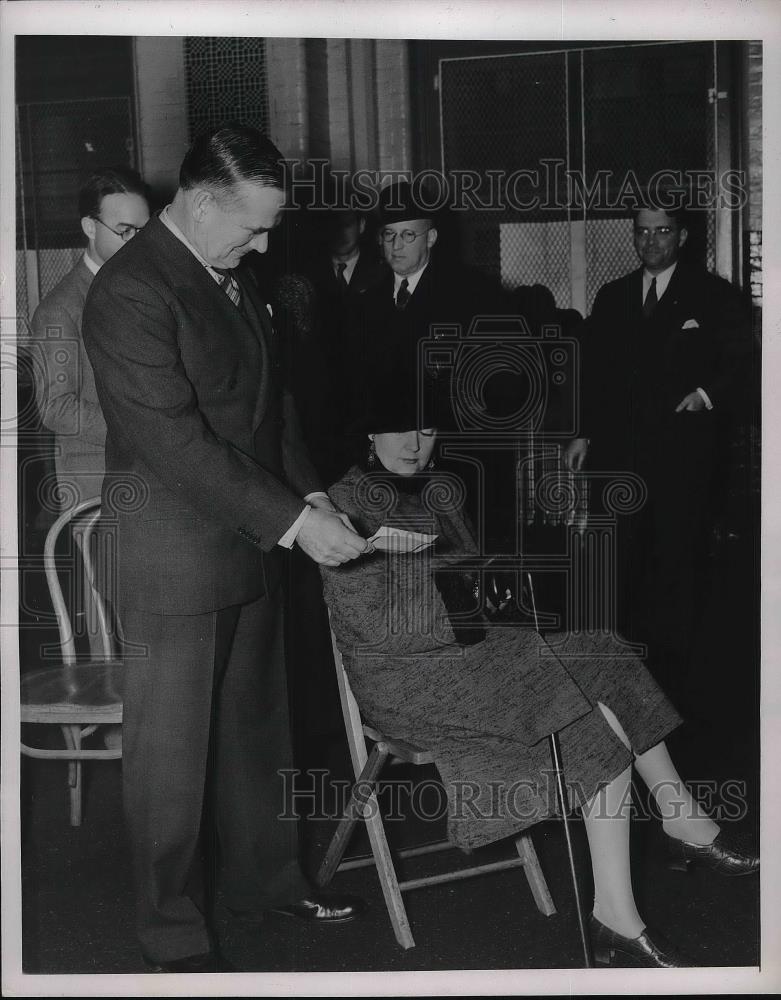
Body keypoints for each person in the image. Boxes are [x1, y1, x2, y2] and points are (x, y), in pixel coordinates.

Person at [319, 390, 758, 969]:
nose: (413, 444)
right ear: (368, 438)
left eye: (425, 431)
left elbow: (474, 588)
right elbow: (376, 627)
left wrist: (490, 582)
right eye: (398, 431)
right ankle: (622, 910)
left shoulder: (441, 492)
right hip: (404, 678)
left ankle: (677, 830)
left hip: (471, 652)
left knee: (604, 651)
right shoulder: (343, 503)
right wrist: (469, 591)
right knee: (586, 711)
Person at [82, 125, 368, 973]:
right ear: (202, 202)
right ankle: (171, 935)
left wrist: (310, 492)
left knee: (257, 732)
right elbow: (176, 442)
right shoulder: (132, 293)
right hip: (172, 557)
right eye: (253, 225)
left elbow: (267, 411)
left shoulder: (234, 277)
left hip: (248, 541)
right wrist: (292, 523)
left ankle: (267, 883)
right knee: (170, 760)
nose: (266, 242)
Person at [564, 205, 751, 700]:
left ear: (683, 235)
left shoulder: (713, 295)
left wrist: (706, 396)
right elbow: (594, 373)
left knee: (676, 564)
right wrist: (582, 433)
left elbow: (743, 361)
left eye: (662, 231)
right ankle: (625, 679)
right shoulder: (614, 295)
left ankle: (674, 683)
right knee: (621, 564)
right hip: (620, 460)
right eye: (642, 232)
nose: (650, 242)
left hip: (681, 460)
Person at [29, 167, 151, 671]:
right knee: (115, 635)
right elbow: (55, 407)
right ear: (88, 227)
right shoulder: (59, 310)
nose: (138, 242)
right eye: (125, 231)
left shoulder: (140, 289)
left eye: (146, 231)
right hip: (93, 487)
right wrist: (143, 422)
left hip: (141, 476)